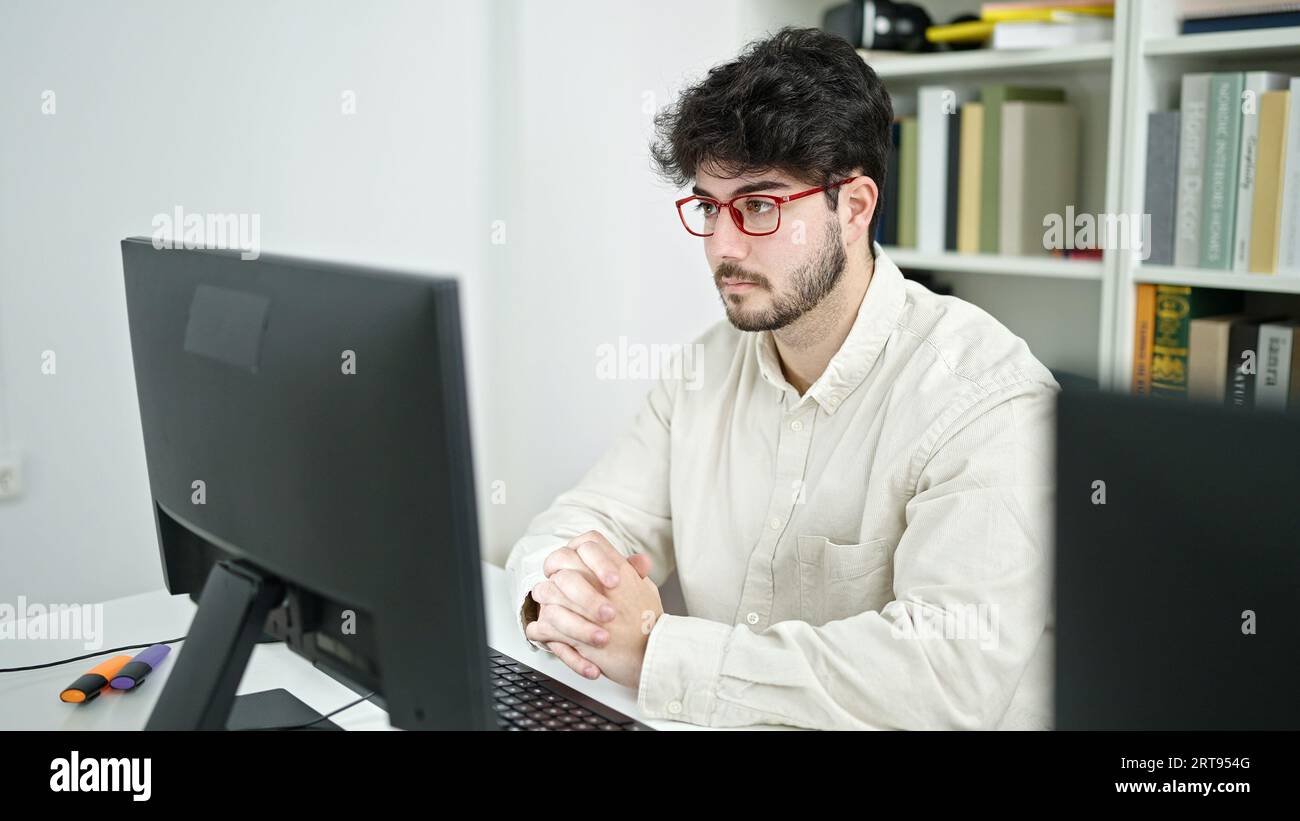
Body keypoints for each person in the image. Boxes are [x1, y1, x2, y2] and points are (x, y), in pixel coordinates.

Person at [505, 26, 1058, 730]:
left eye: (761, 206)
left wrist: (655, 650)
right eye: (710, 206)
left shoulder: (989, 398)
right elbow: (581, 523)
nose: (724, 246)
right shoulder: (706, 369)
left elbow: (945, 677)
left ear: (853, 207)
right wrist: (557, 601)